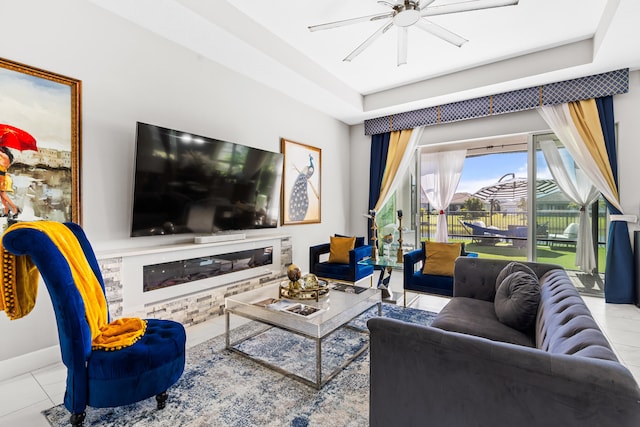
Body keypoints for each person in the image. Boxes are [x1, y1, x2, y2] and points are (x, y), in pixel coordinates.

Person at [0, 146, 20, 219]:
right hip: (1, 177)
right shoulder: (3, 157)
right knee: (2, 194)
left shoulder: (5, 157)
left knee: (3, 194)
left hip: (2, 177)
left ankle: (15, 209)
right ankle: (6, 210)